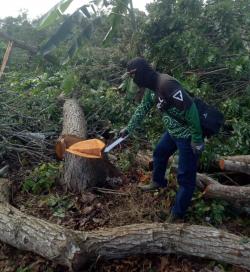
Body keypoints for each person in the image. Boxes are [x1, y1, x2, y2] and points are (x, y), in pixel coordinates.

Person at [120, 57, 205, 222]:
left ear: (141, 73)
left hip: (187, 136)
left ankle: (177, 214)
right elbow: (142, 109)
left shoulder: (166, 84)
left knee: (185, 177)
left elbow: (191, 109)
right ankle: (158, 182)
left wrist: (197, 139)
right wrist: (128, 129)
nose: (133, 80)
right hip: (172, 133)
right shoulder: (151, 89)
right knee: (159, 153)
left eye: (133, 76)